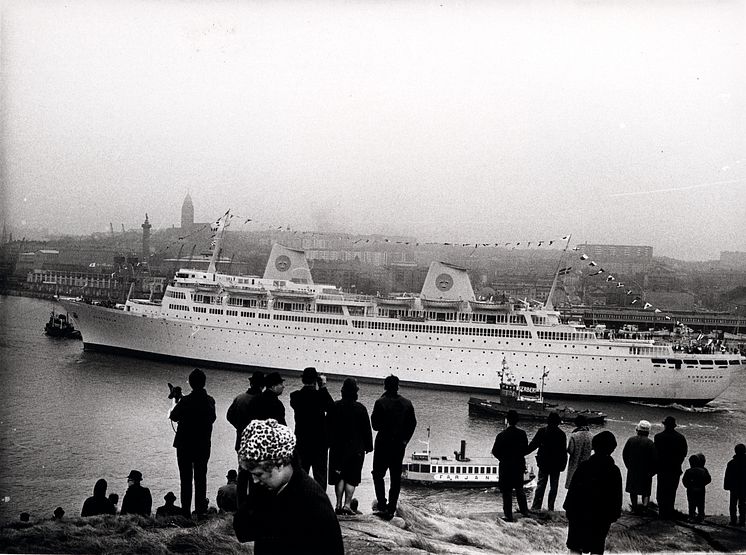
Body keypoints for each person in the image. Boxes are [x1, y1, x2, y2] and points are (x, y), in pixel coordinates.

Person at [232, 419, 344, 555]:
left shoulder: (312, 501)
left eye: (259, 474)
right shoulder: (272, 488)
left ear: (279, 464)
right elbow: (242, 530)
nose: (254, 481)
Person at [563, 431, 623, 555]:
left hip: (579, 514)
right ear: (612, 449)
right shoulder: (614, 471)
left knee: (575, 546)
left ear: (593, 447)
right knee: (597, 547)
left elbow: (573, 491)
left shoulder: (584, 467)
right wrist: (614, 515)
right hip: (601, 517)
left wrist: (569, 509)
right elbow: (616, 497)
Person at [169, 368, 217, 517]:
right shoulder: (210, 401)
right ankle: (200, 512)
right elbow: (212, 418)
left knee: (186, 479)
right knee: (201, 479)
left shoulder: (185, 401)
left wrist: (177, 400)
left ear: (190, 383)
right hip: (203, 446)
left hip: (184, 446)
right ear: (204, 383)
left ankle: (185, 512)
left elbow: (173, 416)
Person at [371, 374, 417, 520]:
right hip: (398, 446)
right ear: (398, 386)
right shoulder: (407, 403)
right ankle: (391, 509)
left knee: (378, 475)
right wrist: (405, 440)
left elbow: (375, 425)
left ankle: (382, 505)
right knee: (395, 478)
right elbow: (413, 424)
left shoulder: (380, 402)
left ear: (385, 386)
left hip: (383, 444)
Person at [327, 377, 373, 515]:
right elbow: (367, 430)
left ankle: (338, 504)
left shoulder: (334, 406)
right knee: (352, 478)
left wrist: (328, 443)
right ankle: (348, 505)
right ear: (355, 393)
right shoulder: (361, 408)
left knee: (339, 477)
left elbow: (327, 427)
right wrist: (369, 446)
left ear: (342, 391)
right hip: (356, 450)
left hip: (338, 448)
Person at [290, 367, 335, 488]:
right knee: (320, 477)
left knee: (300, 474)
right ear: (316, 380)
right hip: (320, 443)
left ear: (303, 380)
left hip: (301, 441)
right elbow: (332, 409)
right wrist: (323, 387)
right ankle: (319, 504)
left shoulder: (295, 396)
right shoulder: (321, 396)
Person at [227, 370, 264, 506]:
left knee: (242, 475)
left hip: (242, 441)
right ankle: (254, 506)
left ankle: (240, 506)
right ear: (262, 386)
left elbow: (229, 416)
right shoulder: (264, 401)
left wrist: (239, 427)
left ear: (251, 383)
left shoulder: (240, 398)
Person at [491, 410, 530, 522]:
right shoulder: (522, 434)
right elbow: (525, 449)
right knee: (519, 489)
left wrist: (503, 459)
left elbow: (495, 451)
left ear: (506, 420)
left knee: (506, 492)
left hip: (505, 466)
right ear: (517, 421)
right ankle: (524, 511)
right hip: (518, 465)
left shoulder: (501, 435)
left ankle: (508, 515)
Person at [526, 411, 567, 511]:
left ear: (548, 421)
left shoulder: (542, 431)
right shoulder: (561, 434)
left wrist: (522, 452)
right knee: (554, 487)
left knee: (541, 486)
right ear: (558, 422)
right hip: (556, 465)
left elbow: (533, 445)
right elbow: (563, 452)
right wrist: (563, 466)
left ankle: (536, 507)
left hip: (543, 463)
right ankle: (550, 507)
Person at [654, 416, 688, 519]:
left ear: (664, 425)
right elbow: (684, 453)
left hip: (662, 468)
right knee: (671, 490)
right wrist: (678, 463)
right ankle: (669, 511)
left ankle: (661, 511)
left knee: (661, 490)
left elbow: (655, 453)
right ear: (674, 426)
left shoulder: (658, 437)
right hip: (675, 468)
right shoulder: (681, 438)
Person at [622, 420, 657, 514]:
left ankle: (634, 507)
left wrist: (628, 466)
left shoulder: (631, 440)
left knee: (633, 490)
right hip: (646, 471)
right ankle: (645, 508)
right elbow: (655, 459)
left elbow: (625, 454)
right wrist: (652, 472)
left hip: (633, 469)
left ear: (637, 429)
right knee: (646, 490)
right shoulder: (650, 443)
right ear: (648, 431)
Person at [566, 414, 593, 489]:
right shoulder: (591, 436)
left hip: (574, 465)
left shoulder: (574, 436)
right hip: (586, 465)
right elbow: (593, 448)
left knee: (572, 487)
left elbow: (570, 451)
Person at [682, 453, 711, 522]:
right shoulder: (703, 470)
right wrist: (702, 484)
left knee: (691, 504)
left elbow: (684, 481)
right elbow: (708, 479)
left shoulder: (688, 471)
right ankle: (701, 516)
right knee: (701, 504)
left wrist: (688, 486)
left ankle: (691, 516)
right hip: (701, 489)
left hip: (690, 490)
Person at [724, 443, 746, 526]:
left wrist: (726, 486)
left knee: (733, 504)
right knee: (743, 504)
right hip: (744, 487)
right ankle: (742, 520)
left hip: (734, 487)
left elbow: (727, 476)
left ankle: (733, 520)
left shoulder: (731, 463)